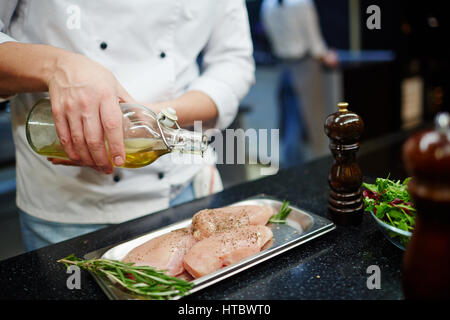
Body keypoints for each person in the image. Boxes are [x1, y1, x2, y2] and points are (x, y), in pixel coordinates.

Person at [0, 0, 255, 251]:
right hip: (69, 209)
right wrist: (58, 66)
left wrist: (149, 118)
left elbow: (233, 61)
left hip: (184, 191)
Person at [261, 0, 338, 164]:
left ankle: (294, 166)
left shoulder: (267, 4)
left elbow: (268, 33)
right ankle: (312, 168)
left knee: (291, 119)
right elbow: (314, 40)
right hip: (305, 67)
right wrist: (326, 55)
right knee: (311, 124)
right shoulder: (302, 3)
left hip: (283, 67)